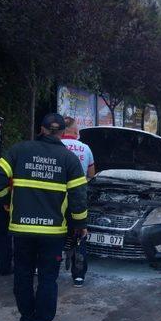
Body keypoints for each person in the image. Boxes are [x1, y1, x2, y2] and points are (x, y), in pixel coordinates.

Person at [0, 113, 88, 321]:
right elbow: (78, 197)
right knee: (47, 277)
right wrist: (80, 224)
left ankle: (27, 320)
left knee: (23, 274)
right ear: (63, 133)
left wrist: (5, 200)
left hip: (22, 229)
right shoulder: (69, 159)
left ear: (41, 129)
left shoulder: (19, 150)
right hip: (53, 232)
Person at [61, 116, 95, 288]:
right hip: (77, 200)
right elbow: (91, 174)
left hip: (55, 200)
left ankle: (42, 267)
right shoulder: (85, 148)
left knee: (53, 235)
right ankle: (78, 276)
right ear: (75, 131)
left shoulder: (55, 147)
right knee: (80, 235)